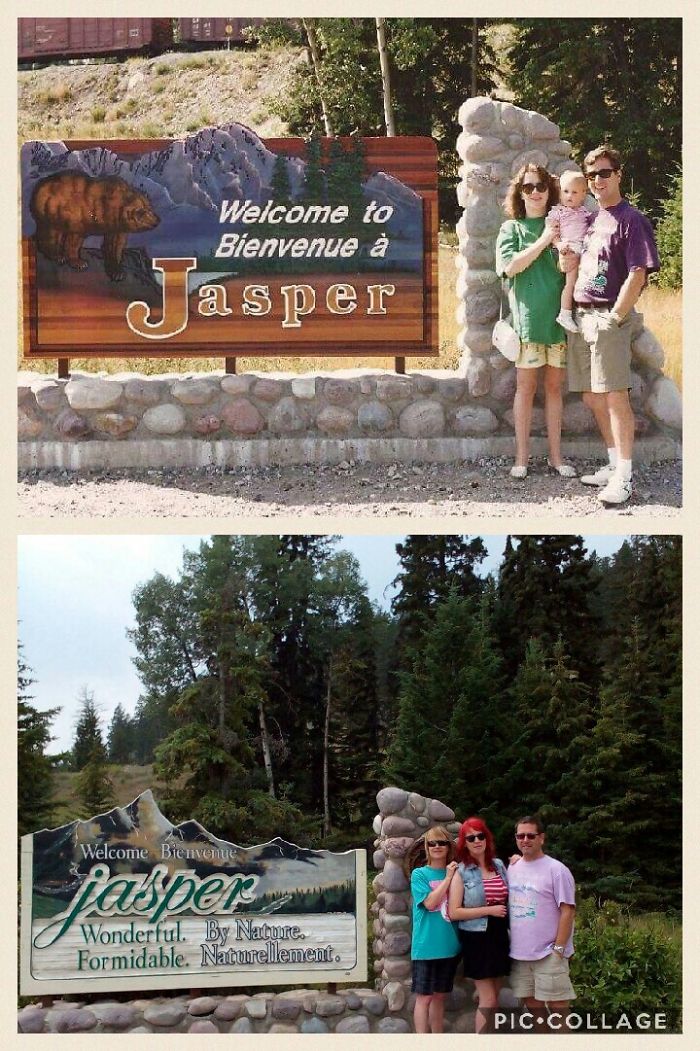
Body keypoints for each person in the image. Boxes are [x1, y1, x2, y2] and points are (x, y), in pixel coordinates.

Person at [560, 145, 660, 505]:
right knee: (591, 396)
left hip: (607, 319)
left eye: (604, 173)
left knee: (616, 397)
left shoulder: (632, 220)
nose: (598, 180)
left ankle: (625, 477)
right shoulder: (592, 219)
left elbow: (638, 272)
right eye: (592, 176)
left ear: (618, 174)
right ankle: (613, 462)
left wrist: (615, 318)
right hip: (583, 317)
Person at [496, 164, 576, 481]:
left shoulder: (563, 223)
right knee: (526, 389)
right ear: (520, 192)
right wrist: (544, 240)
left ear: (549, 189)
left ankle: (556, 458)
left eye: (541, 185)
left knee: (555, 389)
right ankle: (521, 458)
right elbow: (511, 267)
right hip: (526, 323)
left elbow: (569, 264)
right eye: (528, 187)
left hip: (558, 321)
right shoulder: (511, 229)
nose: (535, 191)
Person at [507, 816, 576, 1033]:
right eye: (520, 835)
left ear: (542, 838)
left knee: (558, 1008)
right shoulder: (513, 868)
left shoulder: (557, 870)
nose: (525, 839)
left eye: (530, 835)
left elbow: (568, 910)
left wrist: (559, 949)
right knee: (533, 1008)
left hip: (549, 953)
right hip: (520, 954)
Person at [448, 817, 510, 1034]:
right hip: (477, 937)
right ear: (464, 843)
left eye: (480, 835)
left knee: (495, 994)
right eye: (470, 837)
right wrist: (489, 910)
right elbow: (454, 912)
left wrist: (520, 862)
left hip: (499, 935)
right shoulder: (462, 872)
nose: (476, 841)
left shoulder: (500, 865)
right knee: (489, 999)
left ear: (487, 837)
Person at [404, 826, 461, 1033]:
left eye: (442, 842)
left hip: (449, 946)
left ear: (449, 846)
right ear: (426, 848)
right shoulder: (419, 874)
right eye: (432, 843)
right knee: (424, 997)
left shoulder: (457, 872)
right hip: (426, 947)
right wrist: (447, 879)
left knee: (439, 997)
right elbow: (429, 903)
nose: (437, 847)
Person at [546, 170, 593, 332]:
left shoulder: (585, 212)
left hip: (583, 250)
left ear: (583, 195)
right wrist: (559, 245)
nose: (569, 196)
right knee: (571, 282)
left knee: (583, 281)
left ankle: (582, 308)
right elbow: (552, 233)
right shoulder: (558, 211)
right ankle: (564, 313)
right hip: (569, 249)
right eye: (565, 191)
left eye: (574, 192)